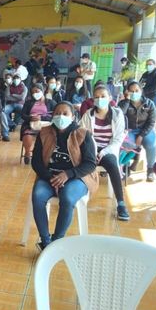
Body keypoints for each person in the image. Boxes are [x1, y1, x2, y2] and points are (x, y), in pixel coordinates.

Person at [31, 101, 98, 250]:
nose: (61, 116)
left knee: (67, 197)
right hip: (49, 177)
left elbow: (90, 164)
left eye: (65, 114)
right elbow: (36, 162)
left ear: (73, 117)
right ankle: (45, 241)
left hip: (77, 177)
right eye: (57, 113)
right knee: (38, 196)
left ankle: (57, 241)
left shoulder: (83, 134)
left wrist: (68, 174)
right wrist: (50, 177)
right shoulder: (44, 133)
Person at [81, 86, 130, 220]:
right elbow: (82, 134)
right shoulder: (88, 115)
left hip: (109, 149)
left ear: (110, 98)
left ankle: (121, 203)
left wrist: (104, 152)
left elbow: (118, 139)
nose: (100, 99)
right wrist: (92, 151)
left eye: (103, 96)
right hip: (90, 149)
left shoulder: (117, 114)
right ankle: (73, 197)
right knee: (77, 163)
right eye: (96, 97)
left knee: (112, 164)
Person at [118, 81, 156, 182]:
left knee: (151, 143)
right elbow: (119, 115)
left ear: (141, 91)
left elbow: (151, 122)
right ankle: (124, 166)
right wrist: (127, 100)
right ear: (127, 92)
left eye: (136, 90)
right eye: (131, 91)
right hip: (129, 130)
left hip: (145, 130)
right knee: (126, 144)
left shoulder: (149, 103)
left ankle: (150, 169)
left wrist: (141, 135)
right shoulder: (123, 103)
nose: (134, 93)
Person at [20, 84, 56, 164]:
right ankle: (27, 152)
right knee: (27, 135)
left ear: (42, 91)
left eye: (37, 91)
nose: (35, 94)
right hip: (30, 124)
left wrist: (42, 118)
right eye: (33, 92)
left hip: (46, 125)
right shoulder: (28, 103)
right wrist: (30, 118)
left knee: (50, 135)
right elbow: (22, 115)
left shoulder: (51, 102)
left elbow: (55, 116)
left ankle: (46, 154)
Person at [2, 73, 28, 141]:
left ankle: (14, 124)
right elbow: (7, 97)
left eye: (17, 78)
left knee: (23, 111)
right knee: (3, 111)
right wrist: (17, 97)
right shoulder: (9, 87)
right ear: (13, 79)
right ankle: (12, 124)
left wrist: (13, 95)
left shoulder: (24, 87)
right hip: (10, 104)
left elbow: (22, 98)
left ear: (20, 79)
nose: (16, 80)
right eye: (14, 78)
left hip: (20, 104)